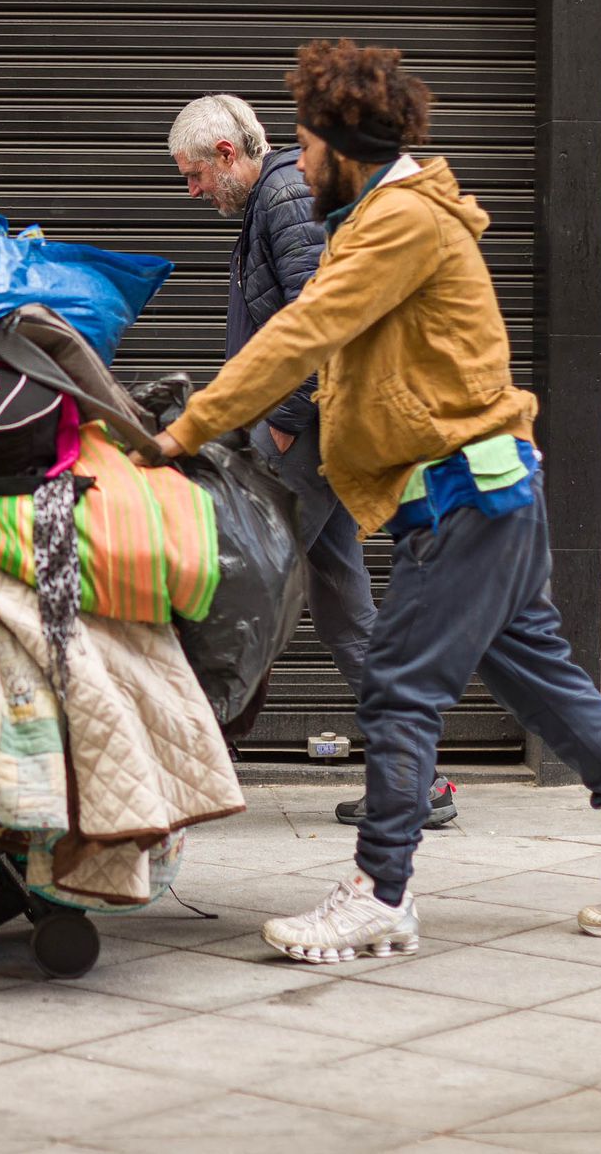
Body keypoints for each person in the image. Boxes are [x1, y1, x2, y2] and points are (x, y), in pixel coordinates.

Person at [147, 41, 601, 963]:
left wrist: (185, 431)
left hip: (465, 491)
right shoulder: (388, 212)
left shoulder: (399, 220)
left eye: (305, 145)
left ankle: (381, 891)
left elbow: (306, 328)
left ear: (343, 146)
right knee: (546, 682)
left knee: (399, 685)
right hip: (481, 488)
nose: (299, 164)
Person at [168, 94, 456, 830]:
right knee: (341, 608)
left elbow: (320, 314)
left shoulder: (287, 196)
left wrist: (288, 420)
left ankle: (182, 761)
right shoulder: (276, 198)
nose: (193, 192)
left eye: (195, 176)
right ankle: (416, 779)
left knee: (232, 580)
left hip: (309, 432)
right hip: (312, 432)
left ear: (227, 155)